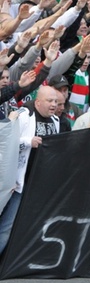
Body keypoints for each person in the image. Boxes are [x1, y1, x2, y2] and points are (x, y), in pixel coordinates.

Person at [0, 86, 60, 255]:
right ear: (38, 101)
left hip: (39, 183)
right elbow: (6, 141)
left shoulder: (55, 120)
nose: (54, 104)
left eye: (55, 101)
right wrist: (27, 141)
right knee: (7, 225)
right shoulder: (24, 116)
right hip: (18, 182)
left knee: (29, 225)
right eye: (50, 101)